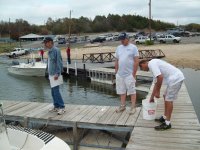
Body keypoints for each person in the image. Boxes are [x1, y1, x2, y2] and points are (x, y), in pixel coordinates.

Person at [139, 59, 185, 130]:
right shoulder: (153, 66)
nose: (143, 70)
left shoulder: (151, 64)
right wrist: (152, 97)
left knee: (168, 100)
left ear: (143, 64)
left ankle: (167, 123)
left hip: (176, 79)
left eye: (141, 68)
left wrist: (158, 91)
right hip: (173, 79)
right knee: (165, 96)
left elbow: (160, 77)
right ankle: (164, 117)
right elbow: (156, 82)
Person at [115, 32, 139, 114]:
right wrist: (116, 72)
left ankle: (133, 107)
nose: (121, 41)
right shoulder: (118, 48)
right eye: (120, 39)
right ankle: (122, 106)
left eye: (123, 39)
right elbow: (117, 60)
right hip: (120, 74)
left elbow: (136, 61)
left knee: (132, 91)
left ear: (127, 39)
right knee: (121, 91)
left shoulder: (133, 48)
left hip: (129, 74)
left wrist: (134, 74)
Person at [43, 37, 65, 115]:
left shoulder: (56, 50)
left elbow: (59, 62)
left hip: (55, 74)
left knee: (56, 92)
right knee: (53, 92)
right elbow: (49, 63)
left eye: (46, 42)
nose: (45, 44)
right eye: (45, 43)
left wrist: (57, 73)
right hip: (51, 74)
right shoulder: (49, 51)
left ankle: (62, 107)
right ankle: (56, 106)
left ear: (50, 42)